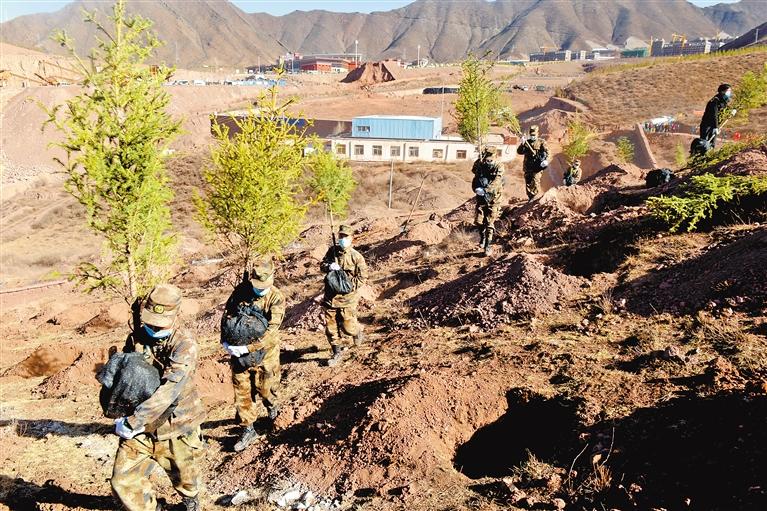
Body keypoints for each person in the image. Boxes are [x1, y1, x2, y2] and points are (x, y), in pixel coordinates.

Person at [111, 284, 206, 511]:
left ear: (176, 316)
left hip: (177, 426)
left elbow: (170, 389)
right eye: (150, 321)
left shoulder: (185, 345)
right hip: (142, 429)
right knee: (122, 481)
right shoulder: (137, 337)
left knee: (187, 481)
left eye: (160, 323)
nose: (154, 327)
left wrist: (135, 421)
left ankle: (190, 504)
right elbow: (127, 376)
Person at [221, 258, 285, 452]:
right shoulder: (241, 291)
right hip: (239, 355)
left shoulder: (276, 298)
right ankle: (248, 429)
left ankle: (273, 413)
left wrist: (248, 348)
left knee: (267, 389)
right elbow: (227, 316)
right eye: (257, 286)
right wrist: (225, 341)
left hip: (266, 354)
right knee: (242, 391)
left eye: (263, 286)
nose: (260, 290)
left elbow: (271, 332)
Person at [320, 224, 368, 367]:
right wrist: (329, 266)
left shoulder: (356, 257)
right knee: (331, 328)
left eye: (345, 236)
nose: (342, 239)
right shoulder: (332, 251)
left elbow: (362, 278)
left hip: (347, 299)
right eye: (340, 236)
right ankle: (337, 353)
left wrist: (347, 286)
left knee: (348, 327)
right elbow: (322, 265)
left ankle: (357, 332)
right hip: (330, 297)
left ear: (351, 238)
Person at [472, 145, 505, 256]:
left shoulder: (499, 165)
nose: (489, 161)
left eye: (491, 159)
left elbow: (497, 181)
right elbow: (475, 174)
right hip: (481, 198)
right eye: (487, 159)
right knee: (478, 221)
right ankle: (483, 238)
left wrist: (486, 190)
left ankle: (488, 245)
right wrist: (479, 161)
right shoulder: (481, 164)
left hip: (494, 198)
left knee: (489, 222)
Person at [516, 125, 550, 200]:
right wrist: (522, 144)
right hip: (528, 166)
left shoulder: (541, 142)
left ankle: (534, 196)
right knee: (528, 182)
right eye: (531, 135)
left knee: (535, 181)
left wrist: (545, 160)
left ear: (537, 134)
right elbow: (519, 152)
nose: (533, 136)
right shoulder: (526, 142)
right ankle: (530, 197)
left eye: (534, 135)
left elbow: (547, 152)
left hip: (537, 167)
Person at [699, 83, 733, 149]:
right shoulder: (714, 101)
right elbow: (714, 115)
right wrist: (716, 127)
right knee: (704, 143)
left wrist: (731, 111)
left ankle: (710, 153)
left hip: (714, 126)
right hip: (707, 125)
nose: (729, 93)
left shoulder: (723, 101)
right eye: (728, 91)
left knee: (712, 144)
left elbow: (725, 109)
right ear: (722, 91)